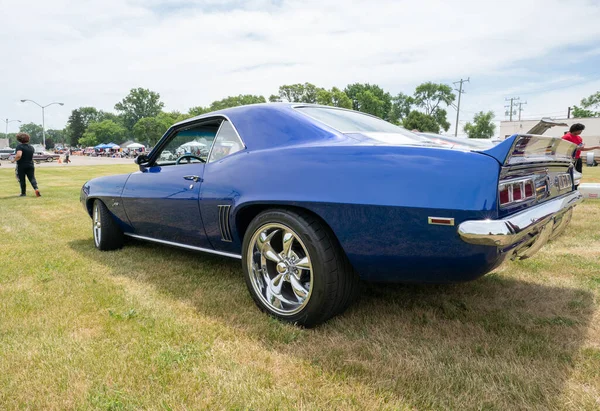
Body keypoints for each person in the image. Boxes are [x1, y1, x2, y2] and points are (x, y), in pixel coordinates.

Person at [11, 132, 41, 197]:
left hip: (21, 165)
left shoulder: (19, 146)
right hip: (30, 164)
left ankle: (23, 193)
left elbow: (19, 155)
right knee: (32, 178)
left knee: (22, 179)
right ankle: (36, 188)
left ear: (19, 139)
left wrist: (13, 160)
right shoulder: (31, 147)